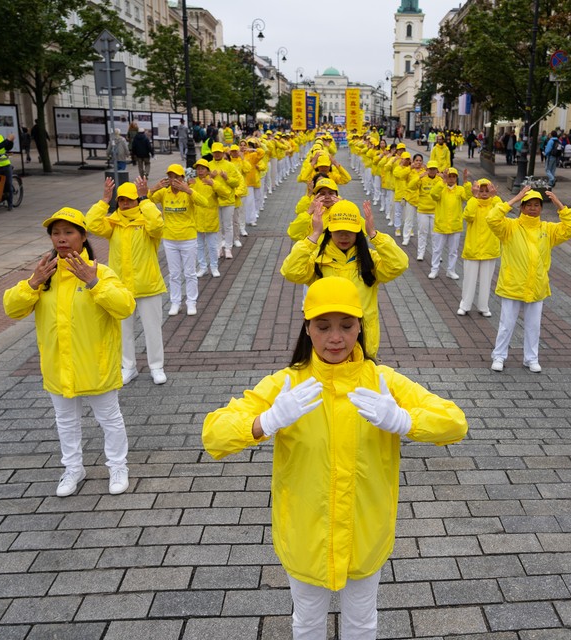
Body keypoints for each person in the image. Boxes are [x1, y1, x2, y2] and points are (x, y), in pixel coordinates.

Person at [202, 276, 467, 640]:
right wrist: (264, 422)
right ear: (307, 328)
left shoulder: (383, 382)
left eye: (347, 326)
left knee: (361, 623)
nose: (336, 338)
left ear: (361, 326)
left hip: (364, 532)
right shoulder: (286, 385)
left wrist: (406, 421)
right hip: (305, 535)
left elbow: (455, 422)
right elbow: (213, 433)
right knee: (307, 623)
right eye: (323, 327)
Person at [3, 207, 136, 497]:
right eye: (56, 233)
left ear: (83, 236)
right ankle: (73, 468)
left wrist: (93, 282)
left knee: (109, 418)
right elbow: (12, 309)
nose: (61, 239)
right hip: (57, 366)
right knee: (65, 421)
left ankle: (117, 465)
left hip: (95, 365)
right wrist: (32, 284)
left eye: (68, 232)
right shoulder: (44, 274)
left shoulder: (100, 272)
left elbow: (125, 306)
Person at [280, 199, 409, 359]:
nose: (344, 236)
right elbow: (290, 271)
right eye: (338, 231)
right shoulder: (319, 260)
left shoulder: (370, 260)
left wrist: (374, 235)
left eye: (350, 231)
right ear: (329, 231)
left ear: (358, 232)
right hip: (327, 343)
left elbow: (400, 264)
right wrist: (314, 235)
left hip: (363, 342)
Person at [487, 187, 571, 373]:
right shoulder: (509, 227)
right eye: (528, 205)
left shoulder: (548, 229)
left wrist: (560, 206)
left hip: (537, 285)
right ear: (521, 207)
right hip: (513, 284)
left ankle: (531, 358)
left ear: (541, 208)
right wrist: (514, 198)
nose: (532, 208)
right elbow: (492, 218)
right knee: (506, 325)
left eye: (536, 205)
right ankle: (499, 356)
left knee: (533, 326)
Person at [87, 178, 168, 385]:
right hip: (120, 287)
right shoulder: (113, 223)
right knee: (123, 331)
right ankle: (128, 366)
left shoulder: (147, 220)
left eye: (129, 200)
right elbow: (91, 223)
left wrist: (144, 199)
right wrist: (104, 200)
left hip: (147, 285)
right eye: (121, 200)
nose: (125, 204)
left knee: (152, 330)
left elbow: (158, 225)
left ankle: (156, 367)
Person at [148, 163, 209, 316]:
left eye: (177, 177)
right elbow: (147, 202)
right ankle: (175, 302)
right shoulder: (164, 193)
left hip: (188, 238)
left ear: (182, 178)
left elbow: (204, 203)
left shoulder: (188, 192)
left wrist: (188, 190)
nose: (173, 180)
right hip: (169, 239)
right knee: (174, 273)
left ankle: (191, 302)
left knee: (189, 273)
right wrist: (155, 188)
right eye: (170, 177)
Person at [457, 179, 502, 318]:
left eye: (486, 191)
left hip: (489, 248)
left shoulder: (495, 204)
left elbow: (501, 212)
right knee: (469, 279)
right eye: (481, 191)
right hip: (473, 248)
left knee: (486, 280)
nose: (484, 194)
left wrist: (494, 197)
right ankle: (465, 305)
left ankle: (484, 306)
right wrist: (474, 197)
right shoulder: (473, 203)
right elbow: (468, 216)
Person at [428, 167, 470, 280]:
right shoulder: (441, 187)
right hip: (441, 225)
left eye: (453, 176)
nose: (451, 179)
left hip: (455, 225)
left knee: (453, 251)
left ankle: (451, 270)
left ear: (456, 178)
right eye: (449, 176)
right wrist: (443, 182)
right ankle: (434, 269)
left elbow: (468, 197)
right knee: (437, 250)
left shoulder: (460, 190)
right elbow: (433, 194)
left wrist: (466, 182)